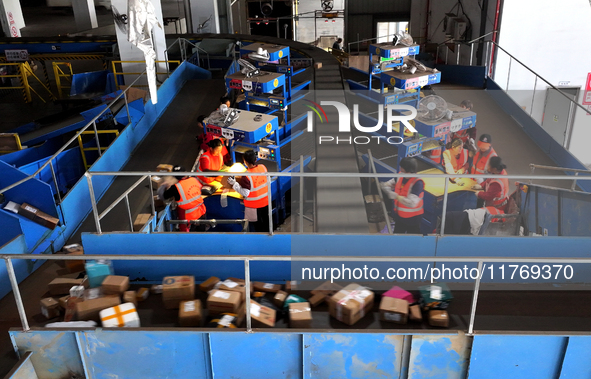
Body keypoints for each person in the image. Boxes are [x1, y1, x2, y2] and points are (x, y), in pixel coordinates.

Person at [227, 150, 270, 233]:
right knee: (266, 223)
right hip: (265, 202)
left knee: (258, 228)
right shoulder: (263, 167)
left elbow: (245, 193)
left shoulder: (246, 176)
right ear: (255, 159)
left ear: (245, 162)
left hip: (254, 206)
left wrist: (234, 184)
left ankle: (260, 243)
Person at [380, 157, 424, 234]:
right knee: (397, 237)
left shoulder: (417, 183)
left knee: (413, 240)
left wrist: (396, 196)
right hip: (400, 217)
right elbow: (390, 184)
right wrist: (385, 186)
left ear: (408, 170)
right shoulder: (400, 176)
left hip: (413, 219)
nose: (400, 169)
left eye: (402, 168)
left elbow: (412, 203)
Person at [162, 166, 207, 232]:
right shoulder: (194, 179)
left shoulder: (175, 187)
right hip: (201, 212)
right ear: (185, 173)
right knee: (202, 235)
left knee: (189, 238)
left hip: (188, 218)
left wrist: (165, 185)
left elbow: (164, 196)